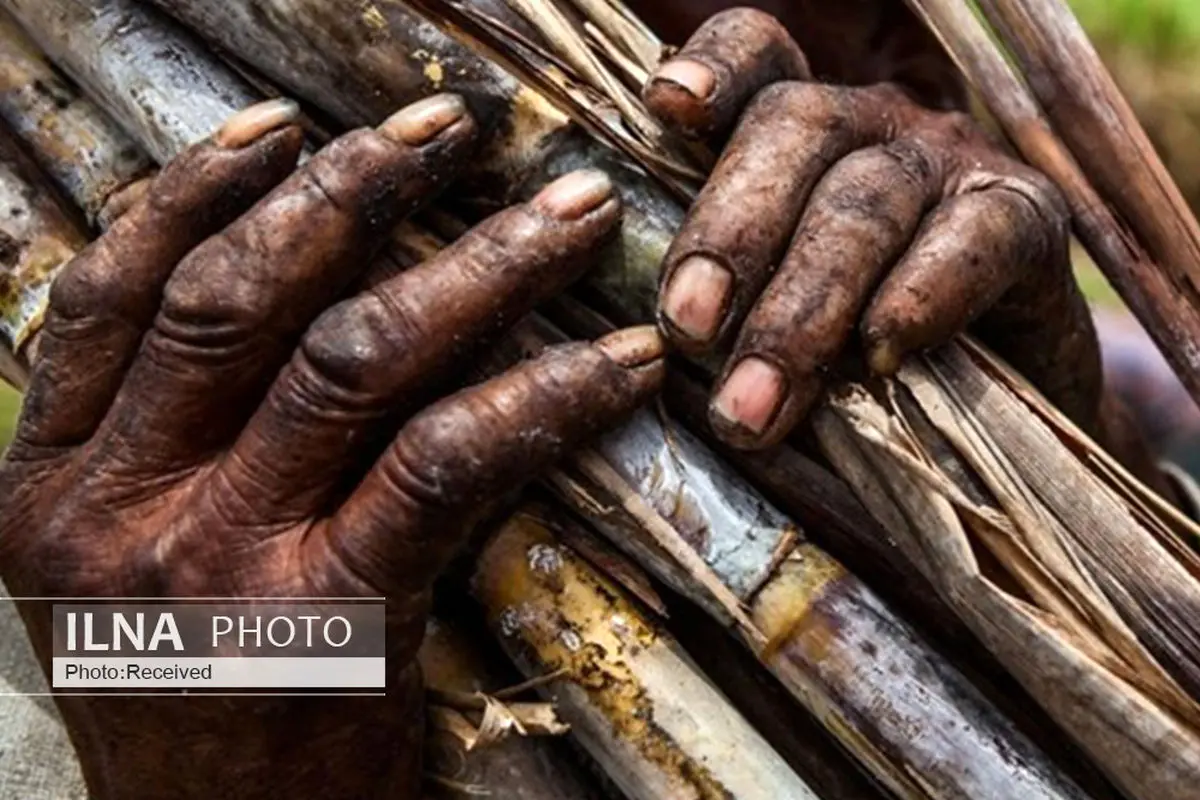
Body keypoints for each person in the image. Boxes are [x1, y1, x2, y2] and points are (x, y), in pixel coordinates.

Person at [0, 2, 1175, 797]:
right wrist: (180, 713)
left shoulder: (1094, 389)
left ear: (913, 67)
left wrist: (1033, 433)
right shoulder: (86, 634)